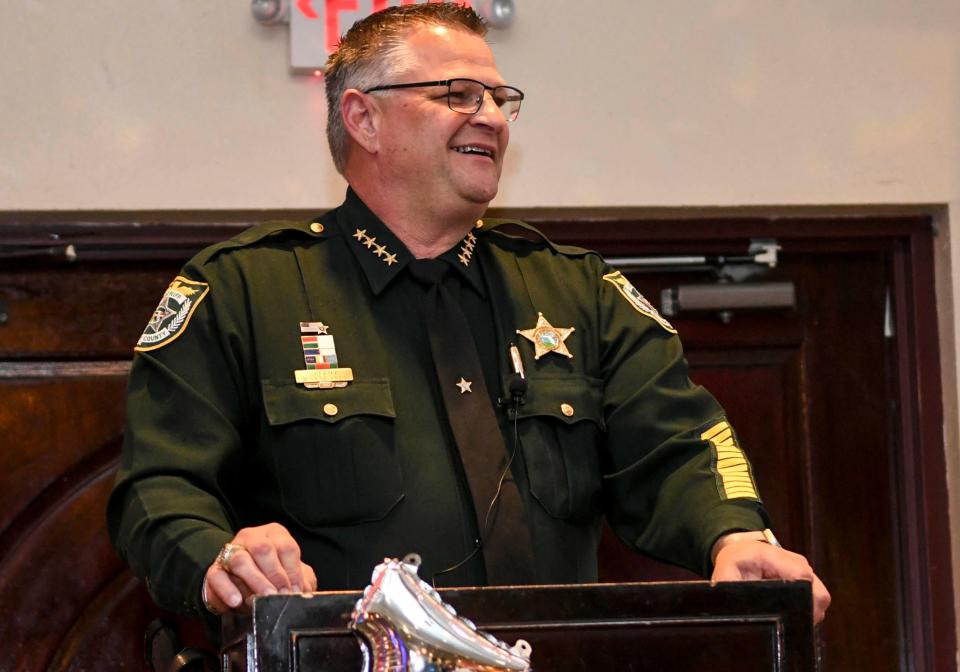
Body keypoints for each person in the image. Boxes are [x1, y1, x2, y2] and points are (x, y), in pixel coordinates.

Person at [107, 2, 829, 628]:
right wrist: (219, 556)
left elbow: (679, 446)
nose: (489, 114)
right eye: (456, 92)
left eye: (498, 97)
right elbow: (158, 487)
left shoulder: (580, 293)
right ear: (363, 117)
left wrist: (735, 536)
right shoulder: (243, 292)